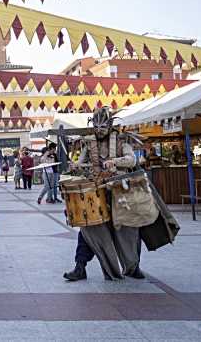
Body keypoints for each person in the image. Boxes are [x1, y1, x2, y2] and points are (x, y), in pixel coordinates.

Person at [63, 107, 145, 282]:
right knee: (88, 230)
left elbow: (132, 159)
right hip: (96, 193)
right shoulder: (88, 143)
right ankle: (80, 267)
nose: (99, 130)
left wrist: (114, 162)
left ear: (110, 125)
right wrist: (75, 166)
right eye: (97, 126)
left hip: (120, 192)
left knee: (131, 230)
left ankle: (133, 266)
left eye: (103, 126)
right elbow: (80, 163)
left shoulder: (123, 140)